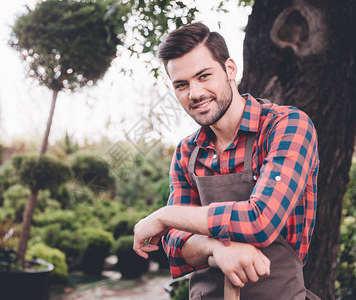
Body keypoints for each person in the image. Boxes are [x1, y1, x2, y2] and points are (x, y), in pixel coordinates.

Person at [133, 22, 320, 300]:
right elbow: (173, 243)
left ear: (230, 69)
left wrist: (165, 215)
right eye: (181, 85)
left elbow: (261, 221)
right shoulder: (187, 151)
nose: (194, 93)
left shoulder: (286, 127)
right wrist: (216, 249)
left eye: (204, 76)